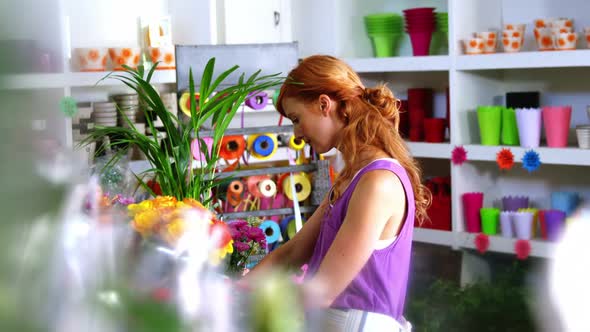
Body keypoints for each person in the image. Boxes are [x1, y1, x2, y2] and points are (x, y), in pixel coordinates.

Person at [241, 55, 431, 331]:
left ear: (323, 104)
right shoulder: (352, 177)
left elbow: (323, 290)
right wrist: (236, 293)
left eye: (297, 118)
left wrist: (243, 307)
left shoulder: (378, 182)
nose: (297, 133)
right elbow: (291, 253)